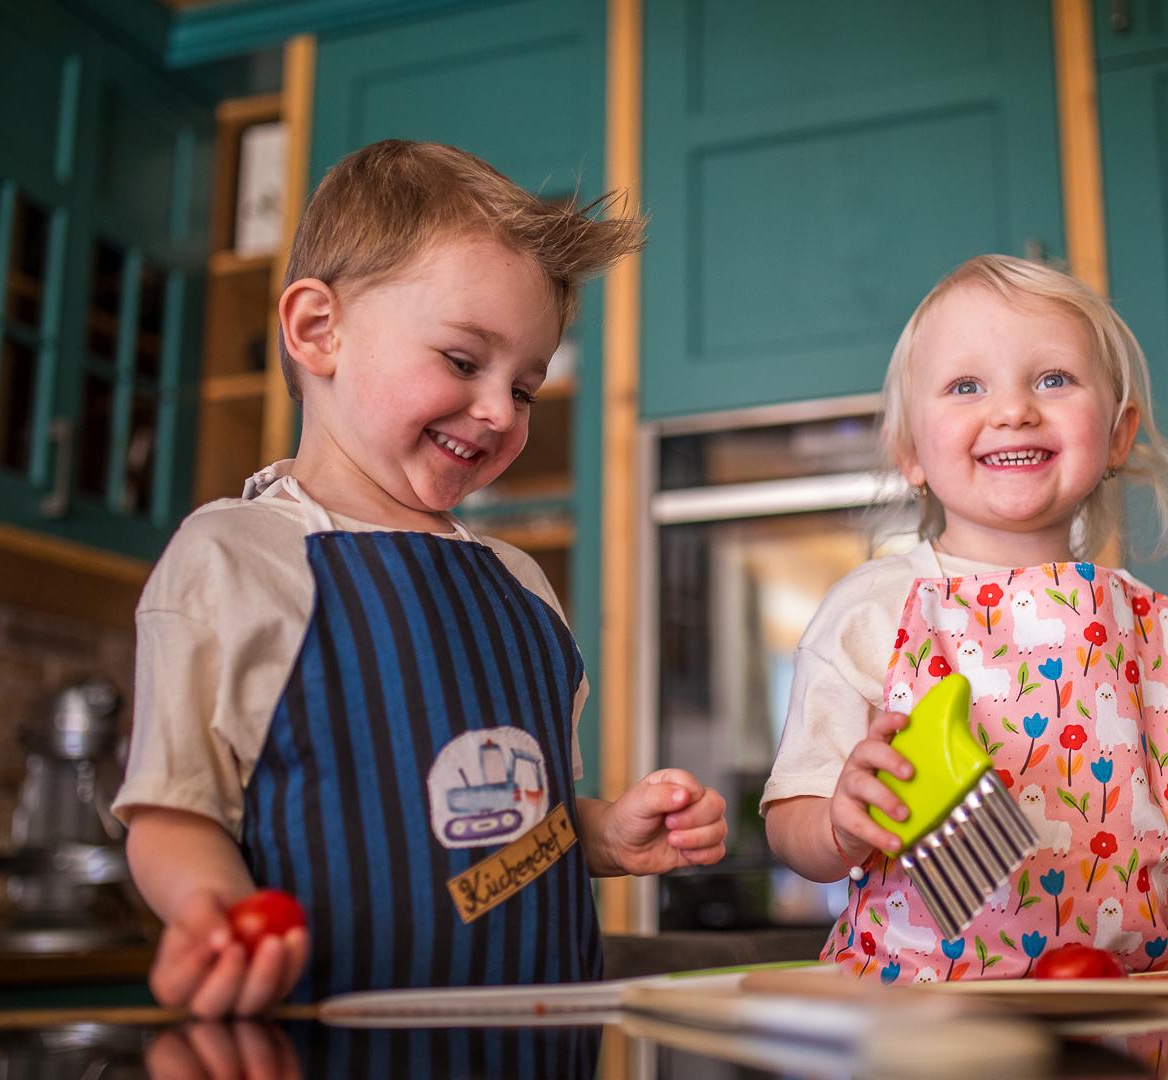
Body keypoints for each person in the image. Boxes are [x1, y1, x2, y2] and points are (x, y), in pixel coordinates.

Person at [114, 141, 727, 1018]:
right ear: (317, 331)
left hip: (544, 1043)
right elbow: (173, 813)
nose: (497, 410)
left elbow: (526, 822)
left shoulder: (520, 584)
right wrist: (217, 913)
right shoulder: (233, 559)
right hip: (337, 1042)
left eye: (525, 387)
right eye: (463, 360)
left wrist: (611, 834)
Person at [763, 255, 1168, 983]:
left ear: (1119, 433)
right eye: (967, 385)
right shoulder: (871, 612)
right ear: (911, 449)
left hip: (1122, 1023)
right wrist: (838, 824)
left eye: (1053, 380)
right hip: (916, 1027)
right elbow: (792, 821)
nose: (1013, 410)